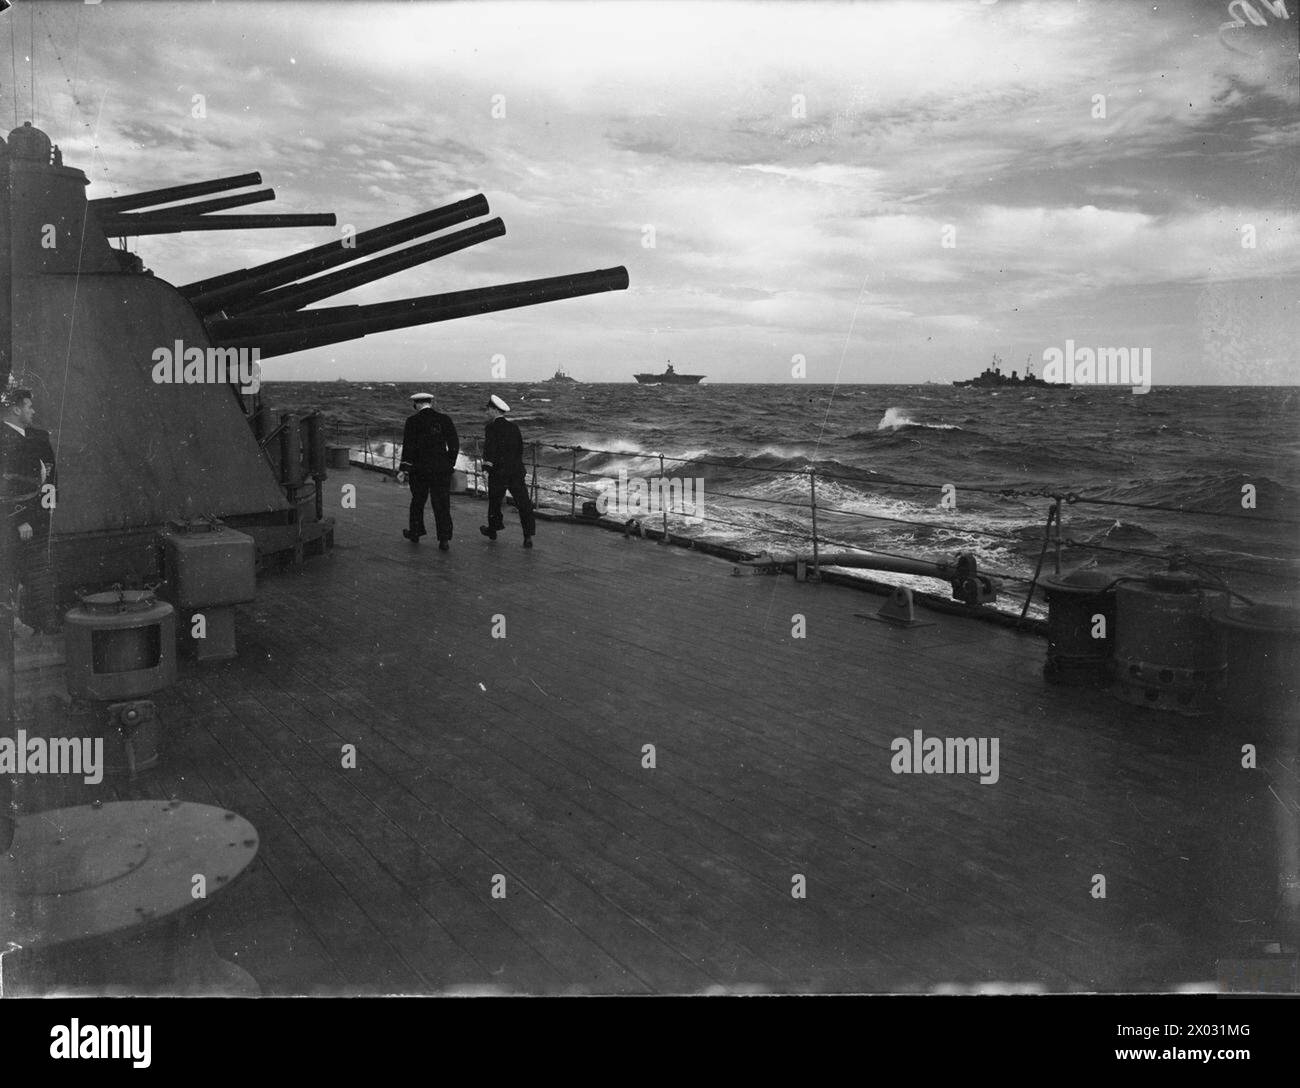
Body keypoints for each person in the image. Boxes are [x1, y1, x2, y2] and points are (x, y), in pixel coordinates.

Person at [1, 387, 59, 633]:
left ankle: (47, 625)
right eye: (28, 406)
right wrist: (19, 520)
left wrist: (44, 513)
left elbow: (51, 478)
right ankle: (11, 627)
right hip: (11, 524)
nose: (33, 411)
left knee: (40, 573)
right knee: (8, 573)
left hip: (38, 520)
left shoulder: (39, 437)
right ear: (15, 409)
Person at [398, 391, 458, 551]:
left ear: (417, 404)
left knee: (418, 501)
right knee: (442, 504)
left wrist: (404, 468)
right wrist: (449, 463)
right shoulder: (445, 419)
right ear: (430, 402)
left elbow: (408, 447)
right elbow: (454, 444)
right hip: (441, 469)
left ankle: (415, 532)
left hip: (419, 470)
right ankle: (444, 539)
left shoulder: (412, 421)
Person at [479, 394, 535, 548]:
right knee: (523, 503)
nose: (487, 412)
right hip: (516, 471)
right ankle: (528, 535)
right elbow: (519, 449)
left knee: (495, 502)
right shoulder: (514, 427)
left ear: (495, 410)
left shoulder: (491, 427)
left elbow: (490, 449)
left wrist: (486, 468)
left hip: (498, 472)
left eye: (488, 409)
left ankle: (493, 530)